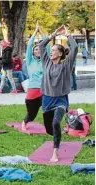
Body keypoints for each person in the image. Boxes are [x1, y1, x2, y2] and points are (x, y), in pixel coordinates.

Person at [40, 25, 78, 162]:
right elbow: (41, 46)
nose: (51, 52)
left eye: (54, 50)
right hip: (46, 100)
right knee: (50, 130)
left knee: (56, 123)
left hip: (61, 100)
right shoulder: (46, 63)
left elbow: (74, 48)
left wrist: (68, 35)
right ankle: (58, 133)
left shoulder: (66, 66)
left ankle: (55, 152)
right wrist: (52, 35)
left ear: (60, 54)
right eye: (51, 50)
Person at [21, 22, 50, 130]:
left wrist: (41, 32)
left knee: (48, 109)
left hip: (44, 89)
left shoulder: (45, 61)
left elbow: (47, 47)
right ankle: (25, 122)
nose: (38, 50)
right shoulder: (29, 61)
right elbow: (29, 46)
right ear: (33, 52)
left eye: (39, 49)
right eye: (36, 49)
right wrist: (35, 32)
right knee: (32, 114)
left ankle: (51, 125)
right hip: (32, 90)